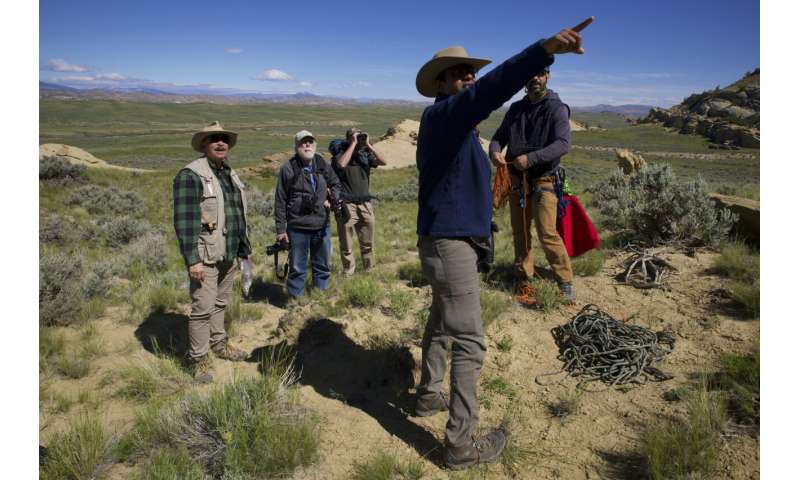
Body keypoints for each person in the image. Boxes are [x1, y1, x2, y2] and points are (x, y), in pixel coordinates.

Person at [413, 17, 594, 470]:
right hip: (450, 244)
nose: (468, 76)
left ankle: (427, 395)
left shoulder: (453, 126)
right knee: (470, 341)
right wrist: (541, 50)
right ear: (441, 83)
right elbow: (489, 91)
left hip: (451, 242)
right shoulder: (445, 115)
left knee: (440, 323)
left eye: (470, 70)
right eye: (458, 73)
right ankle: (459, 446)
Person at [489, 67, 577, 304]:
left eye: (540, 73)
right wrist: (495, 152)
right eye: (531, 74)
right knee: (520, 233)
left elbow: (562, 144)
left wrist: (532, 158)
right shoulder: (516, 109)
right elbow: (498, 137)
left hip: (544, 180)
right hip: (517, 181)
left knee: (547, 233)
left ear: (547, 76)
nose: (535, 78)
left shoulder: (557, 108)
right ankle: (524, 276)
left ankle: (565, 281)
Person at [173, 121, 251, 384]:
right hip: (204, 256)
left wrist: (244, 251)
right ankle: (199, 359)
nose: (220, 143)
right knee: (202, 308)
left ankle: (219, 344)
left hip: (228, 253)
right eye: (214, 139)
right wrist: (192, 260)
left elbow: (238, 216)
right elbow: (184, 222)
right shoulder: (191, 175)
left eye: (224, 139)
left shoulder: (228, 173)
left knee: (220, 303)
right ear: (204, 144)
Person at [274, 130, 342, 298]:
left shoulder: (322, 164)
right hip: (298, 227)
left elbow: (336, 184)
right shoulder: (288, 169)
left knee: (322, 265)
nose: (307, 145)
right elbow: (280, 200)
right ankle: (296, 301)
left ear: (315, 145)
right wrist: (281, 230)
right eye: (303, 142)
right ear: (296, 146)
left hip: (322, 224)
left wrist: (332, 199)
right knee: (297, 268)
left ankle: (320, 296)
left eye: (310, 142)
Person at [329, 128, 387, 275]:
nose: (359, 138)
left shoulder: (365, 155)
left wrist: (368, 144)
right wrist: (353, 144)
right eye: (355, 136)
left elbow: (383, 161)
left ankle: (370, 271)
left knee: (368, 242)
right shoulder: (340, 154)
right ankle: (348, 272)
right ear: (348, 139)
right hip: (346, 204)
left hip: (365, 203)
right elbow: (341, 164)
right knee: (346, 243)